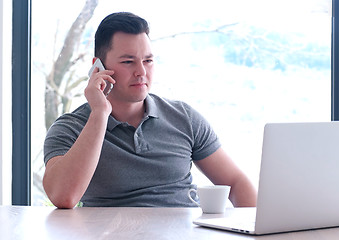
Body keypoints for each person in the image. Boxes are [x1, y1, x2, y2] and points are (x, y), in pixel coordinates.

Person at [43, 12, 257, 209]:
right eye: (128, 61)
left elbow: (236, 184)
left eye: (148, 60)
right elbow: (64, 197)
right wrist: (99, 113)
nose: (141, 72)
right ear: (98, 67)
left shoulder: (183, 117)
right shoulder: (70, 128)